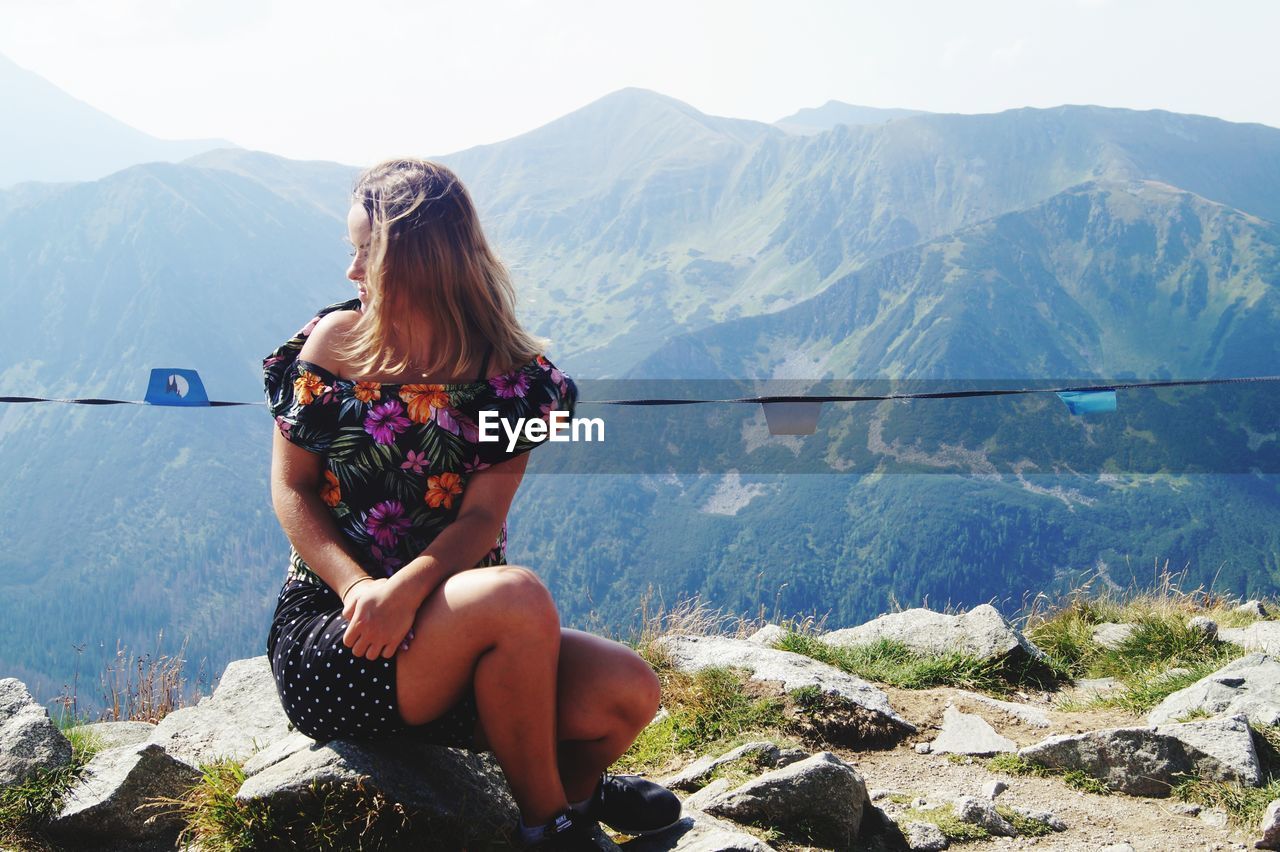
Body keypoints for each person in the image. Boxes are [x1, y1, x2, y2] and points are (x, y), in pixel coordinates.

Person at [262, 158, 679, 850]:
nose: (351, 272)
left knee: (629, 691)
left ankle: (559, 784)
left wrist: (408, 589)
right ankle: (551, 826)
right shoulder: (335, 346)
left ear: (415, 258)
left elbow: (482, 518)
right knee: (514, 598)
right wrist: (361, 587)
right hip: (341, 633)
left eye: (366, 252)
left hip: (463, 639)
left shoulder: (509, 379)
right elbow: (291, 487)